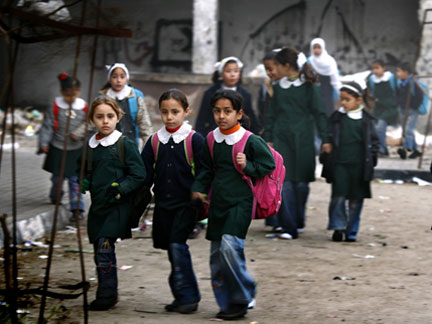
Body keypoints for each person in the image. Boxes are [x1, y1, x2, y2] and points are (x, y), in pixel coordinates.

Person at [191, 89, 275, 320]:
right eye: (217, 111)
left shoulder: (250, 140)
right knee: (217, 258)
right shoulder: (211, 138)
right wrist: (198, 188)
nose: (221, 116)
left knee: (230, 247)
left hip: (241, 202)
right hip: (218, 204)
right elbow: (206, 169)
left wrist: (248, 165)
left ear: (239, 114)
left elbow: (268, 165)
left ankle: (244, 292)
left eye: (227, 111)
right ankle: (228, 304)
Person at [141, 89, 203, 314]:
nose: (169, 117)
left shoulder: (194, 139)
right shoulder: (156, 140)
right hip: (163, 205)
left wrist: (199, 189)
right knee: (171, 249)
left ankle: (189, 297)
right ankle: (180, 295)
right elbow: (144, 172)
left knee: (178, 246)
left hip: (186, 205)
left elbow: (205, 170)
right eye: (165, 112)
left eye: (175, 111)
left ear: (186, 111)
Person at [82, 96, 146, 310]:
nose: (105, 121)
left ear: (118, 117)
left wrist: (121, 188)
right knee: (100, 250)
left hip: (116, 207)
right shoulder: (91, 145)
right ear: (92, 119)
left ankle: (107, 296)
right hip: (98, 208)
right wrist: (84, 180)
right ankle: (106, 290)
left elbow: (139, 175)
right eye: (99, 117)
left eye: (110, 116)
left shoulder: (124, 144)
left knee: (104, 247)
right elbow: (85, 170)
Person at [263, 47, 331, 240]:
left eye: (277, 65)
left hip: (304, 139)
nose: (275, 69)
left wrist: (326, 139)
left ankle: (298, 221)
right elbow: (271, 115)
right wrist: (268, 138)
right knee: (284, 183)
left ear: (286, 65)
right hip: (282, 138)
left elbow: (319, 113)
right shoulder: (277, 87)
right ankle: (289, 226)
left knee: (301, 184)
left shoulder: (309, 86)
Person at [320, 81, 379, 242]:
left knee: (356, 199)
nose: (343, 103)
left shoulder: (367, 120)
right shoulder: (336, 118)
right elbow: (327, 135)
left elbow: (374, 143)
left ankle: (351, 231)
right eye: (342, 99)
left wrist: (371, 160)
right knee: (338, 196)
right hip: (339, 165)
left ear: (358, 100)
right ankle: (338, 228)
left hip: (359, 166)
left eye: (347, 100)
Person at [39, 72, 87, 221]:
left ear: (78, 92)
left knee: (75, 180)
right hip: (58, 147)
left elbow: (88, 124)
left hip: (76, 149)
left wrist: (79, 134)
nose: (70, 98)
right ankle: (56, 196)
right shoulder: (56, 105)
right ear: (62, 93)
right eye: (67, 95)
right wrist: (44, 143)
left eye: (73, 95)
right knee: (57, 178)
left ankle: (77, 208)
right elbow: (47, 126)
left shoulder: (83, 107)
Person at [195, 56, 262, 136]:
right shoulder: (210, 93)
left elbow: (251, 118)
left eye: (236, 71)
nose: (232, 74)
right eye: (228, 71)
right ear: (221, 74)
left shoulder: (245, 95)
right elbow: (202, 118)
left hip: (238, 135)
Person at [99, 63, 153, 147]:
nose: (118, 80)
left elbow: (144, 123)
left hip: (131, 142)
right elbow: (94, 122)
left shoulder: (136, 96)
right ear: (109, 79)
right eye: (114, 77)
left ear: (127, 78)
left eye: (122, 76)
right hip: (108, 143)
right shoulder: (103, 98)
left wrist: (149, 145)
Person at [259, 49, 283, 232]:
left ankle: (284, 220)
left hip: (284, 138)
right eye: (266, 68)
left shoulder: (286, 88)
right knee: (271, 180)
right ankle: (273, 219)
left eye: (272, 68)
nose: (269, 72)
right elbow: (265, 113)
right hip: (270, 138)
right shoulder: (268, 86)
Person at [367, 59, 398, 156]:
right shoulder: (372, 79)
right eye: (373, 68)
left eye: (377, 68)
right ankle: (382, 149)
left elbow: (397, 91)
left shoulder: (391, 78)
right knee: (376, 128)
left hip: (390, 107)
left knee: (380, 127)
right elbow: (370, 92)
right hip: (379, 108)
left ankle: (382, 149)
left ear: (384, 68)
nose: (375, 71)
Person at [396, 62, 423, 159]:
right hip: (403, 109)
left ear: (406, 72)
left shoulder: (413, 82)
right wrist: (398, 104)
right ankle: (416, 150)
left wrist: (414, 107)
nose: (397, 73)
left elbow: (419, 96)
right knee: (405, 130)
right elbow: (398, 95)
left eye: (399, 71)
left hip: (412, 110)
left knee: (409, 130)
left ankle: (406, 149)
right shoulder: (401, 83)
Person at [309, 38, 342, 117]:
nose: (316, 50)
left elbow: (335, 81)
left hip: (327, 92)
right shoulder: (309, 61)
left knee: (328, 114)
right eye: (314, 48)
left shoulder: (330, 62)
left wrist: (342, 94)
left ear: (323, 48)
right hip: (313, 92)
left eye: (319, 47)